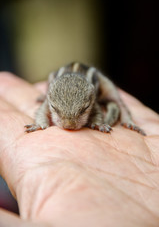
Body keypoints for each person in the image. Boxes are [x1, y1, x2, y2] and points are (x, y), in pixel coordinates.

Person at [0, 71, 159, 227]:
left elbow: (96, 112)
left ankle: (125, 115)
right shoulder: (51, 98)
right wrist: (41, 124)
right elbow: (43, 111)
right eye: (57, 112)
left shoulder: (93, 97)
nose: (69, 124)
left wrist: (98, 123)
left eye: (81, 111)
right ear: (49, 98)